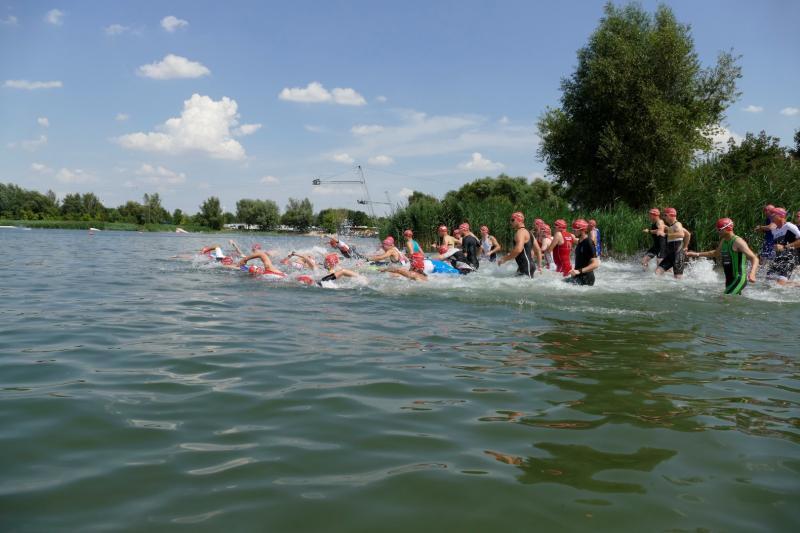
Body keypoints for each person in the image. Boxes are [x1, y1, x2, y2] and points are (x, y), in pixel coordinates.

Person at [687, 218, 759, 295]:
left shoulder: (738, 242)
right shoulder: (724, 240)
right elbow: (716, 253)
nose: (717, 232)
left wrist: (752, 273)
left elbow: (754, 258)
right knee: (730, 301)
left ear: (728, 229)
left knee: (723, 299)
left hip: (738, 279)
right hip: (729, 280)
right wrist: (697, 254)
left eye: (719, 229)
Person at [498, 212, 541, 278]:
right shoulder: (529, 233)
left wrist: (504, 259)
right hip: (528, 265)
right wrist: (539, 266)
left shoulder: (520, 232)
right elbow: (538, 250)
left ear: (519, 220)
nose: (510, 222)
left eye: (512, 220)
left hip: (526, 267)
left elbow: (518, 249)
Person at [767, 207, 800, 285]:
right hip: (778, 258)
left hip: (790, 258)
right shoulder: (774, 231)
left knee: (780, 284)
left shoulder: (789, 226)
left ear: (780, 216)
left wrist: (785, 247)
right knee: (768, 280)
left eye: (773, 214)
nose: (771, 216)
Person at [656, 208, 690, 279]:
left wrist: (665, 234)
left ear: (671, 215)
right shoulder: (672, 226)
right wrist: (685, 246)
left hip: (678, 256)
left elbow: (681, 234)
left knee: (678, 279)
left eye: (665, 215)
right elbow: (688, 234)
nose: (664, 217)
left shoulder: (677, 224)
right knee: (657, 272)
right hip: (670, 255)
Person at [565, 219, 600, 286]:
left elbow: (596, 264)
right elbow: (574, 239)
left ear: (582, 230)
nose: (573, 232)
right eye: (572, 230)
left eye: (575, 230)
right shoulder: (580, 241)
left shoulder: (588, 242)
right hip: (578, 276)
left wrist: (579, 271)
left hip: (586, 279)